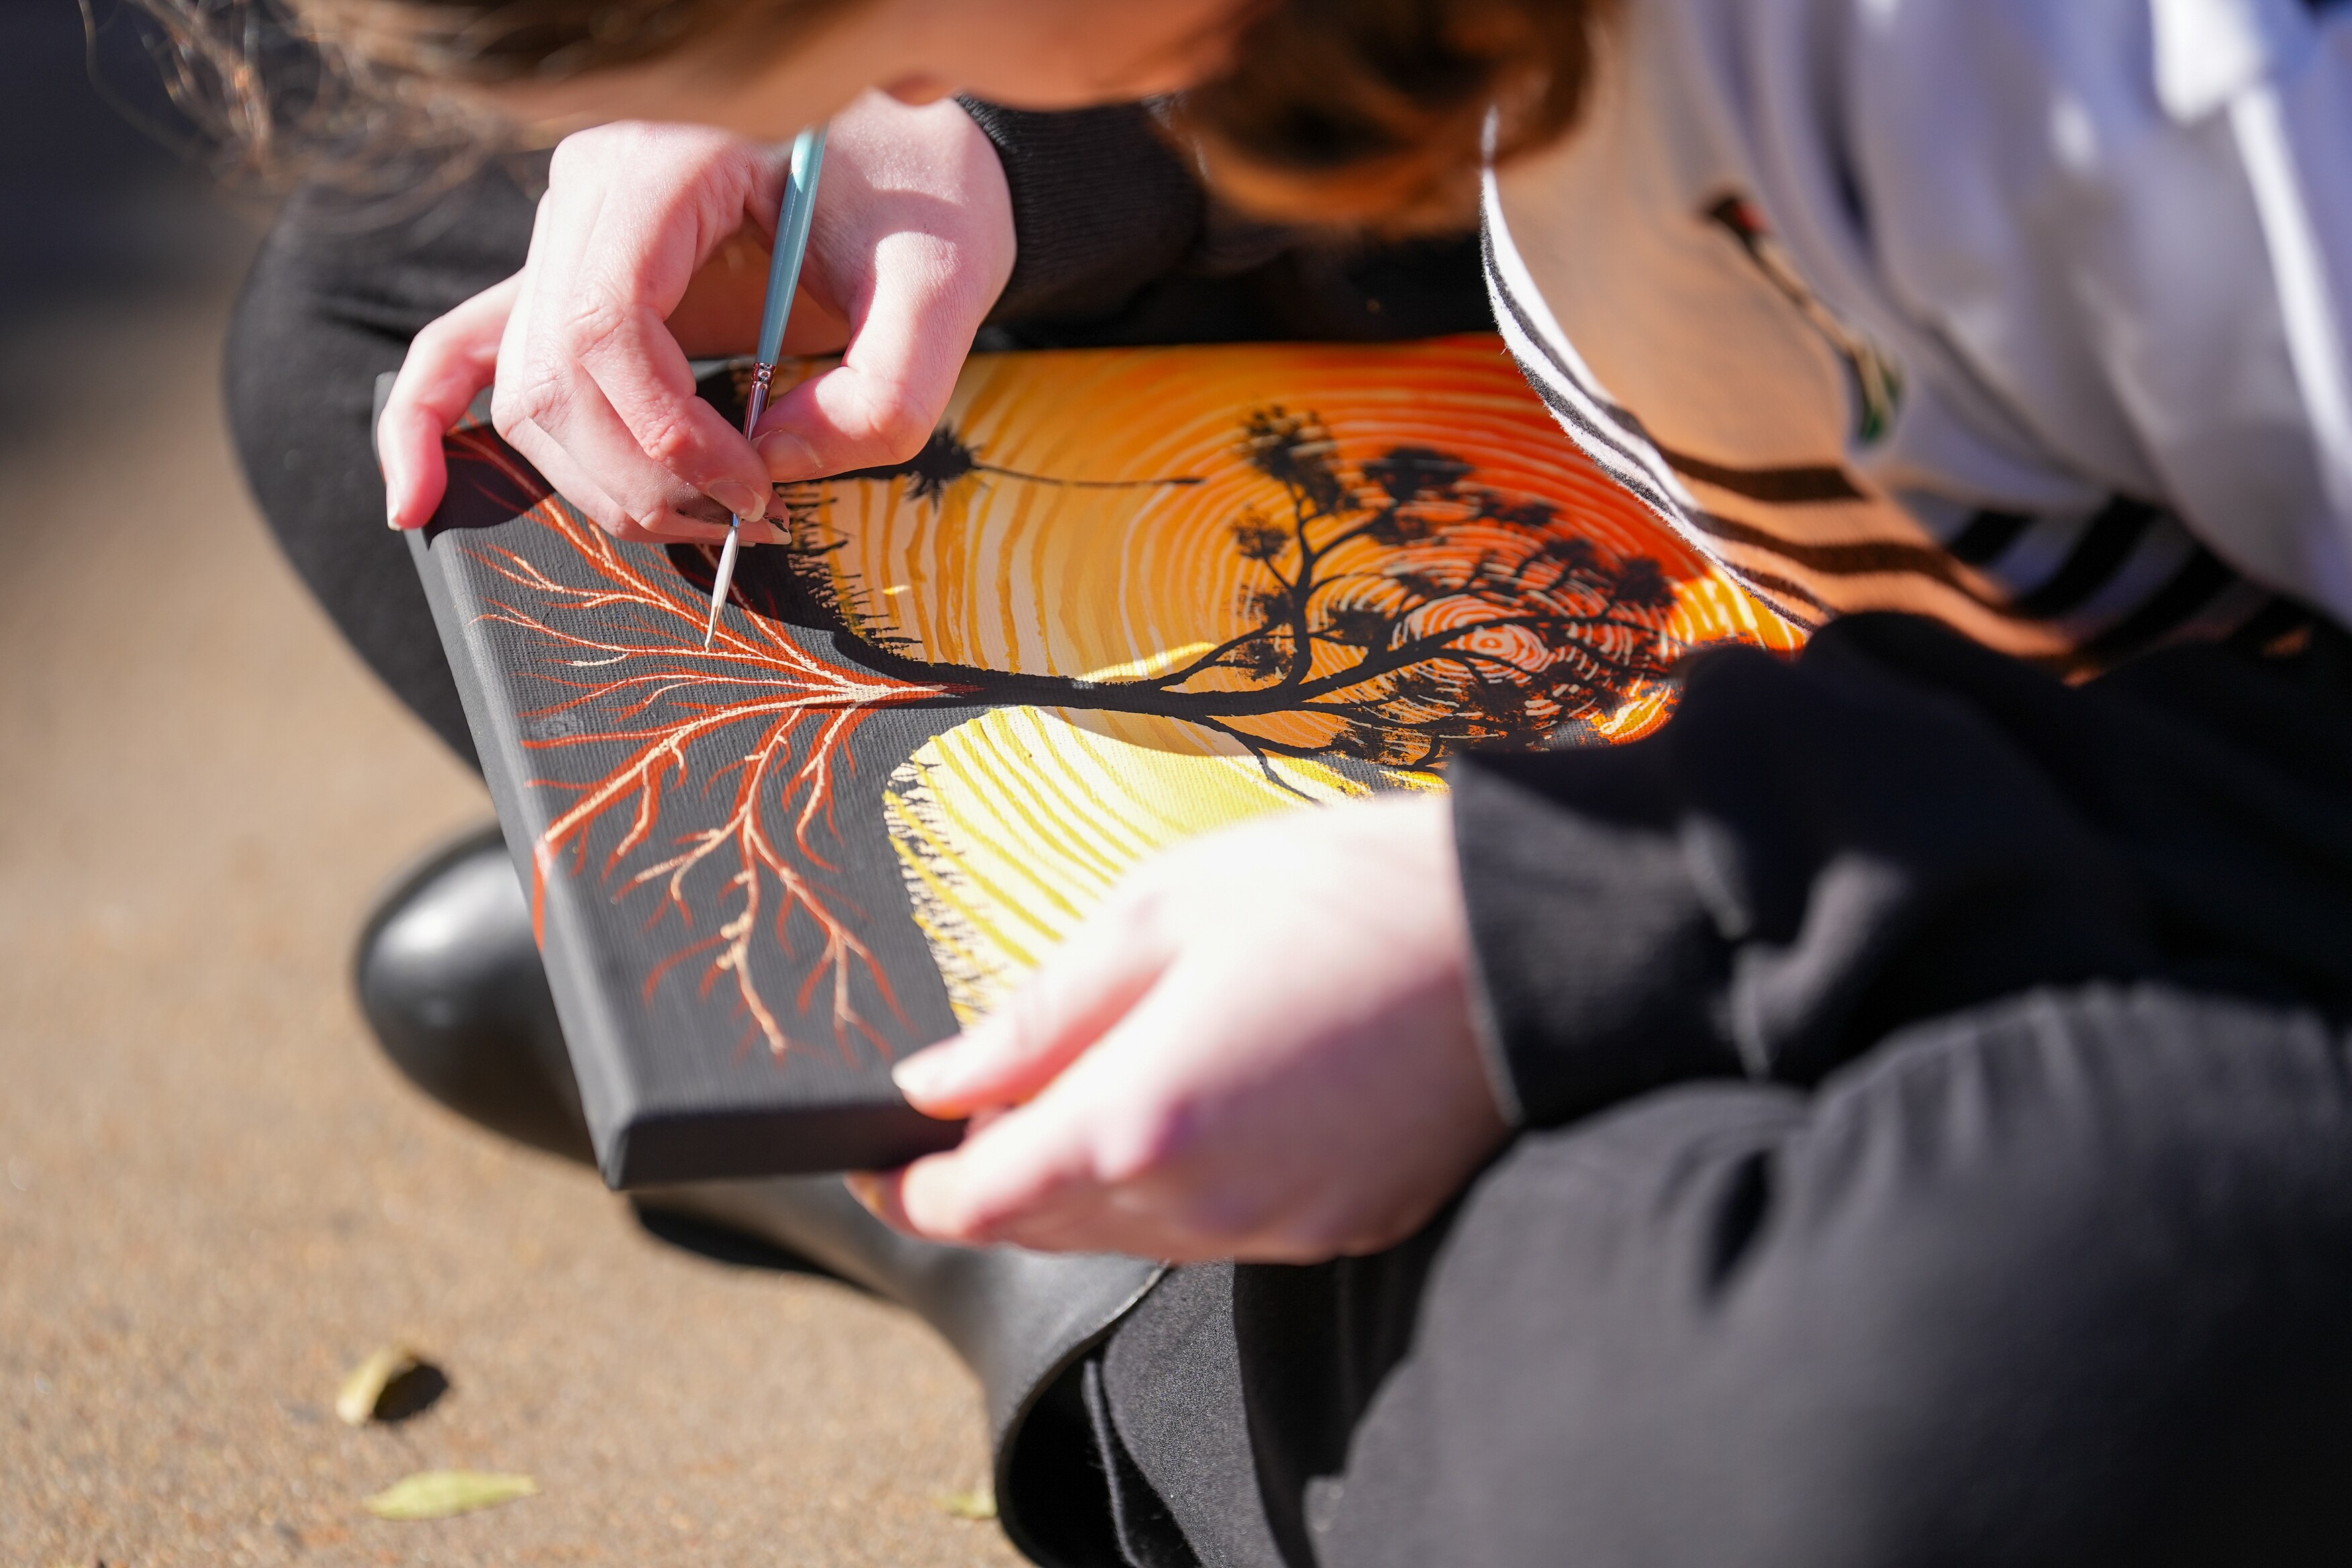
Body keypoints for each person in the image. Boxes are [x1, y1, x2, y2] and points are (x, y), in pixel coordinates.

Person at [196, 0, 2352, 1563]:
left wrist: (1556, 923)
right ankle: (1121, 1198)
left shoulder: (2149, 86)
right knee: (402, 317)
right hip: (1792, 603)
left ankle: (1042, 1234)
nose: (883, 80)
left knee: (1932, 1411)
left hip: (2189, 852)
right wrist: (997, 150)